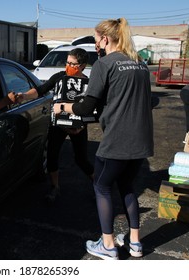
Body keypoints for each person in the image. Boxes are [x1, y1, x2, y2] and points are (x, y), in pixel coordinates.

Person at [53, 18, 154, 260]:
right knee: (127, 187)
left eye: (96, 39)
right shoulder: (140, 64)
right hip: (142, 140)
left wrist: (64, 107)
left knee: (101, 186)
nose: (95, 43)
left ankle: (108, 245)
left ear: (105, 39)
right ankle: (135, 242)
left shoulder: (105, 64)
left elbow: (87, 105)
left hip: (118, 140)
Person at [18, 48, 94, 202]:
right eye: (67, 62)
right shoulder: (59, 77)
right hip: (57, 124)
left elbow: (91, 108)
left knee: (81, 159)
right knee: (52, 155)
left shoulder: (89, 83)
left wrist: (81, 125)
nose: (68, 66)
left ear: (83, 65)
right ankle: (54, 187)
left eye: (73, 64)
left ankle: (100, 185)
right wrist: (24, 96)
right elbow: (41, 90)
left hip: (78, 127)